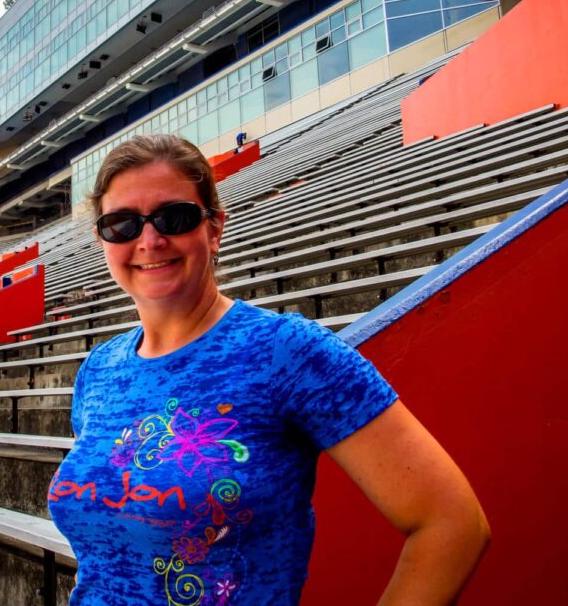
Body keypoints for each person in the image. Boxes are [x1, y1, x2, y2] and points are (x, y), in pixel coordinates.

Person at [48, 134, 489, 605]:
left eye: (173, 218)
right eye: (123, 224)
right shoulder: (99, 370)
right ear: (103, 239)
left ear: (214, 229)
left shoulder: (285, 351)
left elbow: (453, 523)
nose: (150, 241)